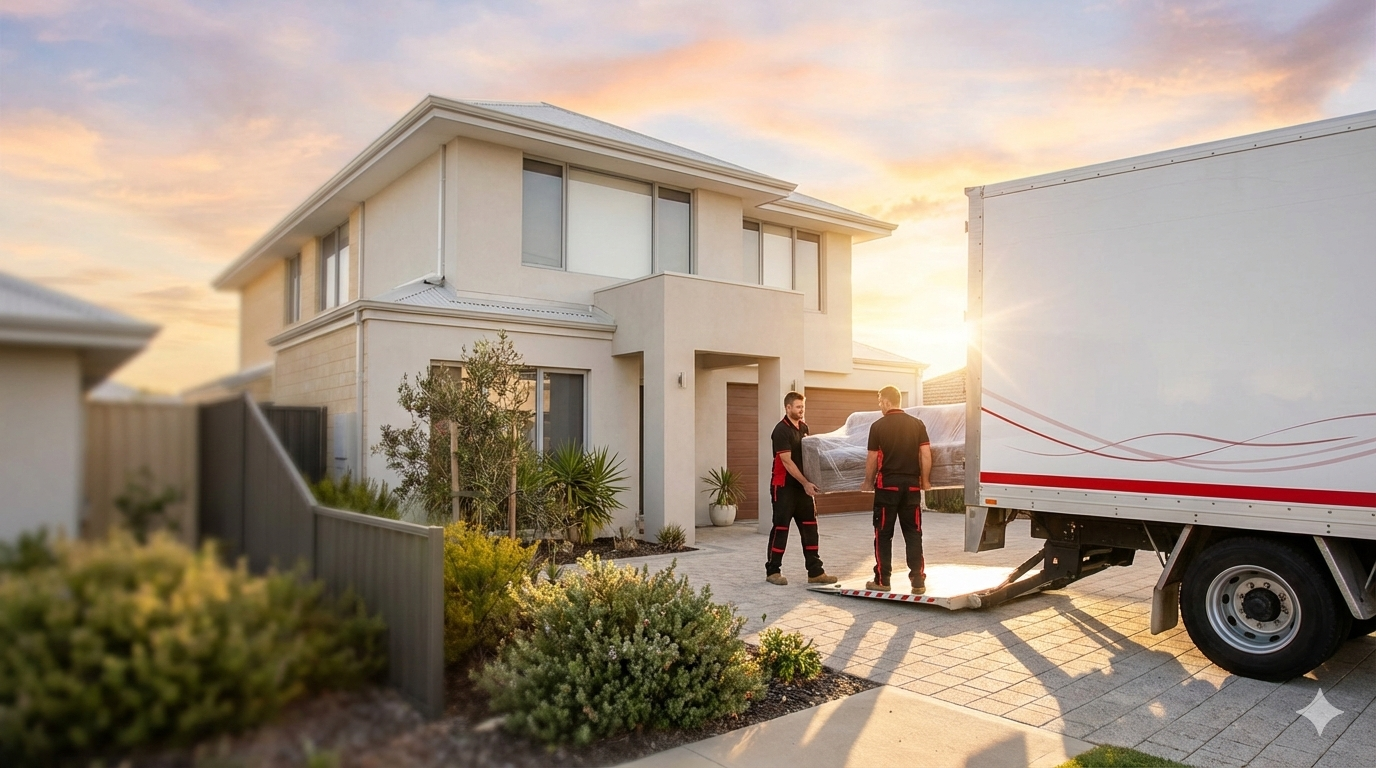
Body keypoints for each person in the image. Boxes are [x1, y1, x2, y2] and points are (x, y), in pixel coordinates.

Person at [860, 386, 932, 594]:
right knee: (913, 533)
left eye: (880, 401)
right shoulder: (917, 424)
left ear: (887, 401)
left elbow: (872, 457)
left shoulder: (878, 426)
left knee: (883, 534)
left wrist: (867, 482)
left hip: (887, 487)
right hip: (911, 487)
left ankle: (883, 580)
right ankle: (918, 582)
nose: (880, 405)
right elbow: (926, 454)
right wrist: (925, 481)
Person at [765, 391, 837, 586]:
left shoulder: (804, 428)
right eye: (798, 407)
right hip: (784, 487)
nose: (801, 410)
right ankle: (773, 571)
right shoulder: (780, 430)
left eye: (803, 407)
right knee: (781, 528)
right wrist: (805, 482)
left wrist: (814, 480)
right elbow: (787, 462)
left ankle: (815, 572)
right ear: (788, 408)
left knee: (810, 528)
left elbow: (809, 457)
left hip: (802, 488)